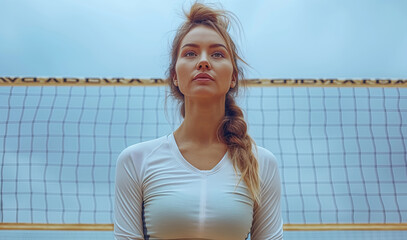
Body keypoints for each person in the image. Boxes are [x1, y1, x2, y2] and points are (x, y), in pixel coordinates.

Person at [114, 2, 283, 239]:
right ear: (174, 76)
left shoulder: (262, 163)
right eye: (190, 53)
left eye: (217, 54)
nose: (203, 62)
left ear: (233, 77)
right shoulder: (135, 160)